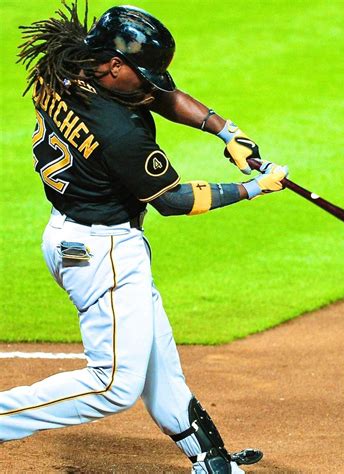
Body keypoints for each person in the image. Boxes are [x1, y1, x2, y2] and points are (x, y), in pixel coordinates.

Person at [0, 2, 288, 472]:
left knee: (158, 363)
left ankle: (212, 462)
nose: (151, 85)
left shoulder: (66, 63)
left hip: (74, 235)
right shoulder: (119, 132)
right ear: (115, 66)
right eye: (143, 73)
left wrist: (227, 132)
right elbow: (172, 200)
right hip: (102, 252)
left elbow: (157, 95)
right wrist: (253, 188)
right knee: (113, 387)